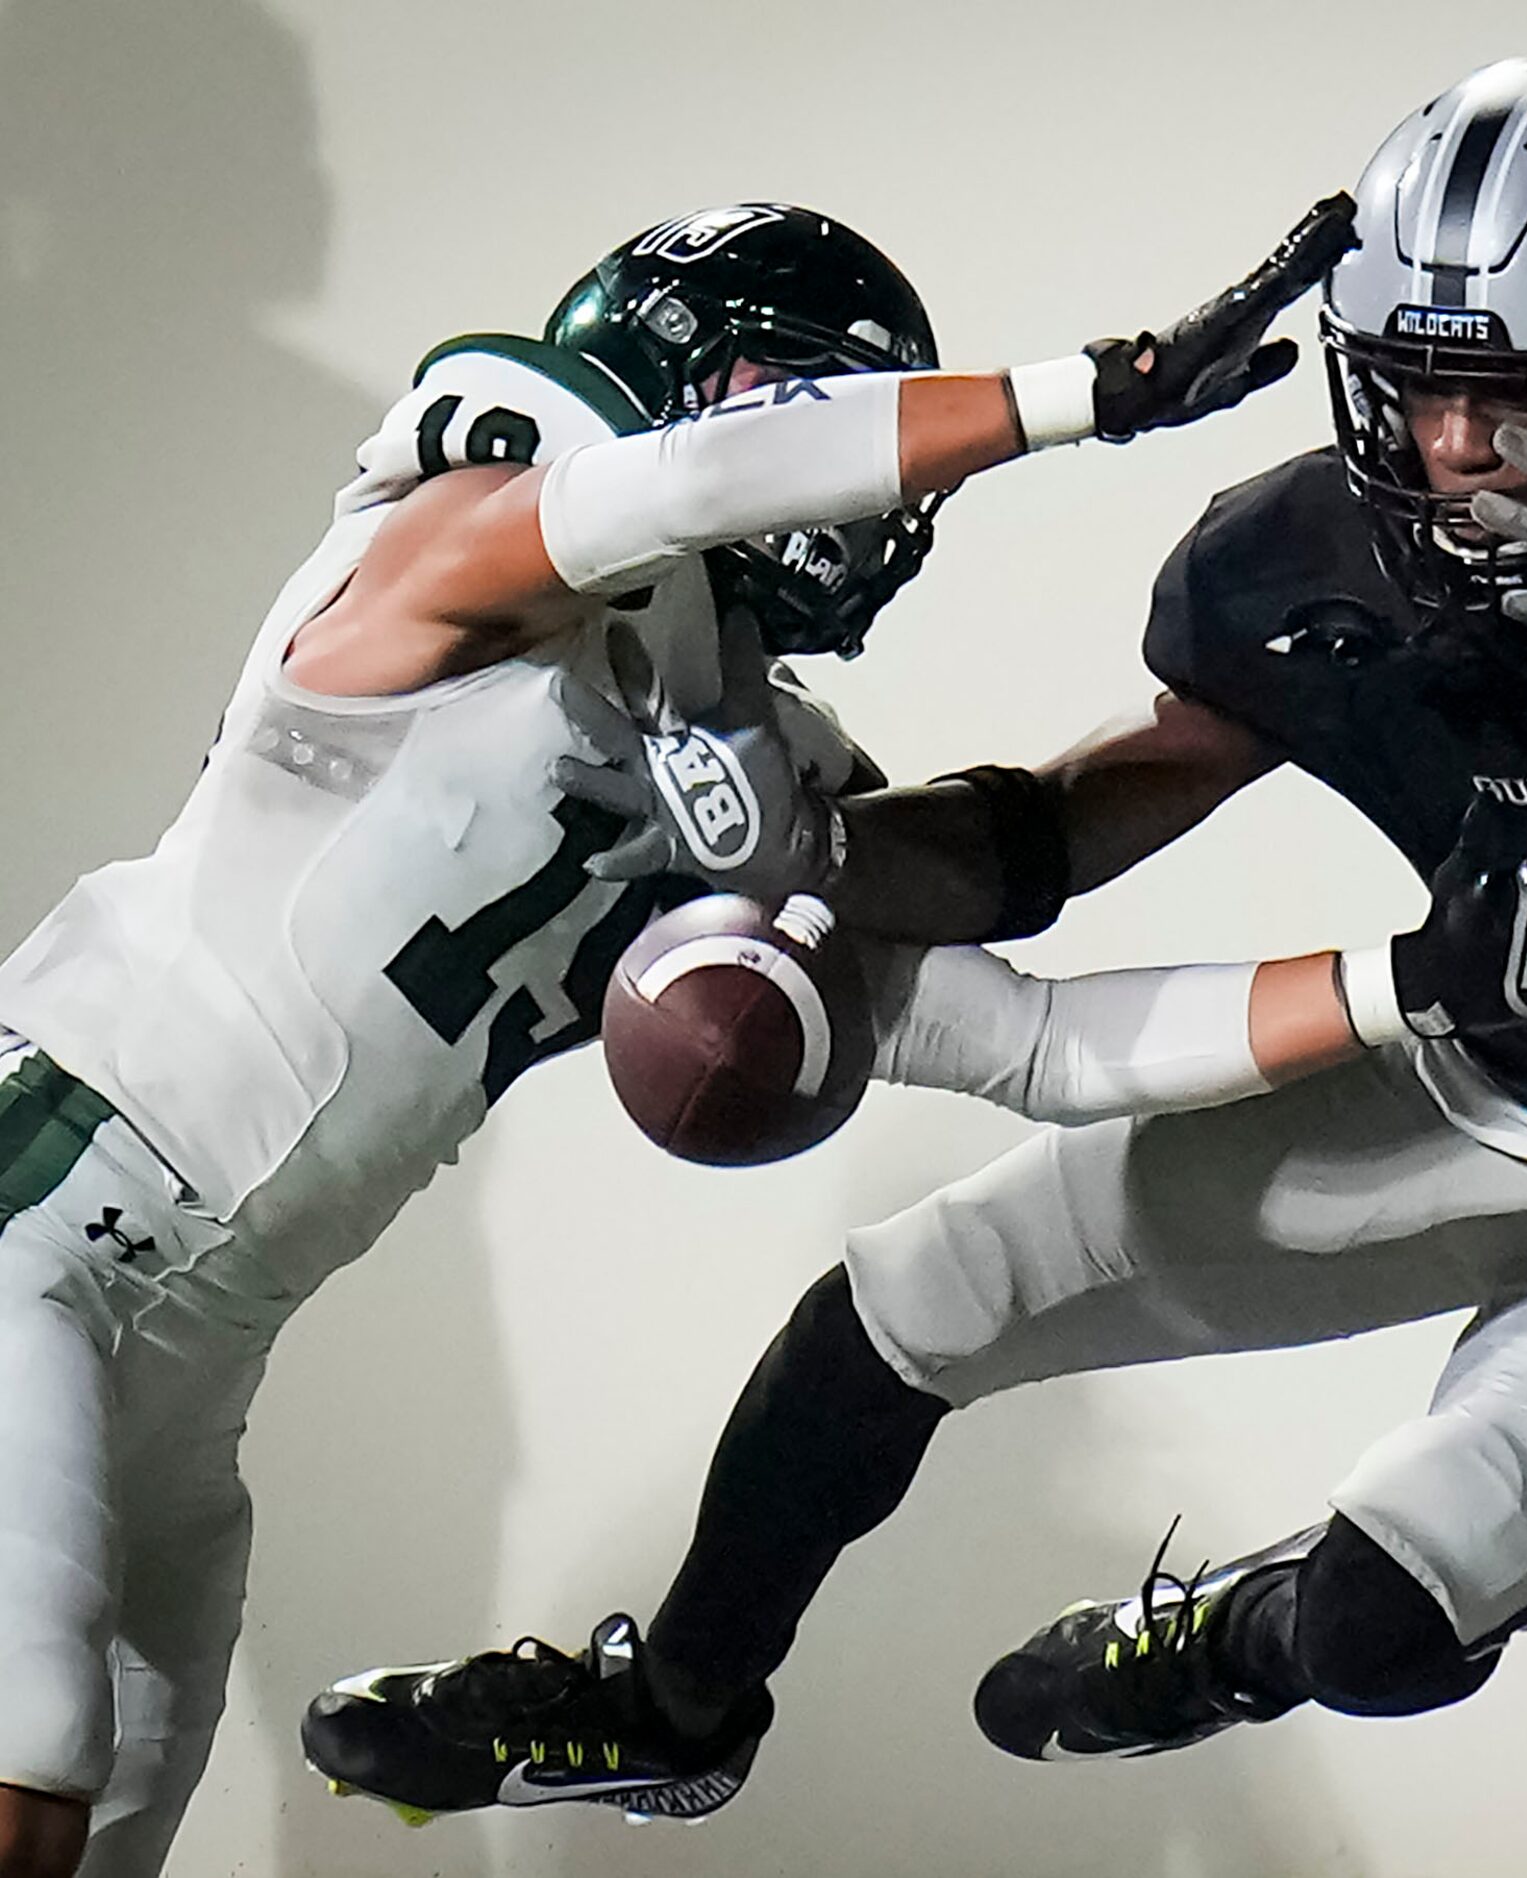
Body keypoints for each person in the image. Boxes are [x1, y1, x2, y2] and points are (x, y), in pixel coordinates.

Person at [302, 51, 1527, 1831]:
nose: (1455, 449)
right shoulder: (1304, 555)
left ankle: (1224, 1636)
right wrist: (825, 849)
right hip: (1483, 1082)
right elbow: (1085, 813)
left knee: (1385, 1629)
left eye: (1514, 399)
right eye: (1416, 388)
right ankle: (676, 1701)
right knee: (901, 1303)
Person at [0, 192, 1351, 1878]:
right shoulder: (452, 539)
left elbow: (1043, 1025)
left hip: (202, 1364)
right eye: (823, 402)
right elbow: (680, 487)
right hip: (41, 1215)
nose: (886, 481)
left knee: (98, 1826)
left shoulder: (730, 781)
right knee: (32, 1743)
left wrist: (1402, 951)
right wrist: (1082, 391)